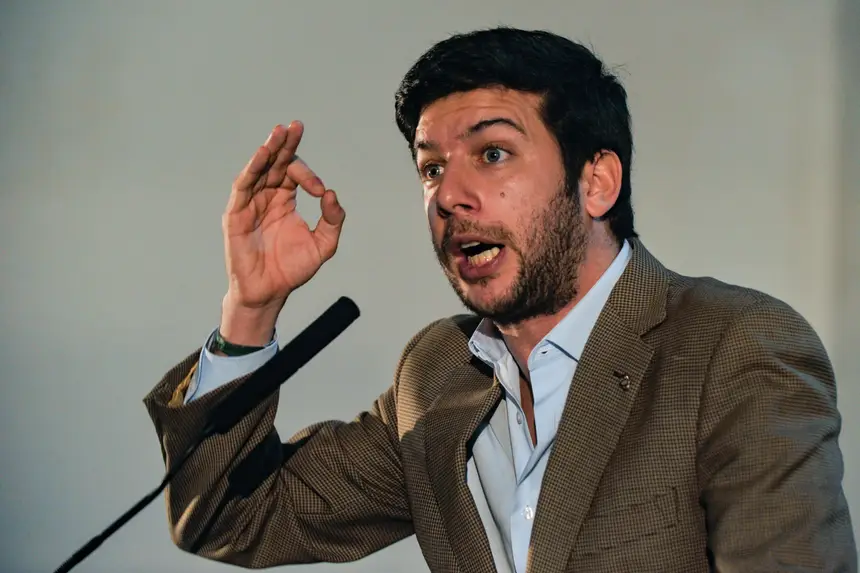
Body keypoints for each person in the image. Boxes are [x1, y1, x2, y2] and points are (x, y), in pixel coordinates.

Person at [143, 27, 856, 572]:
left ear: (596, 182)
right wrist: (252, 309)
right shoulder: (436, 374)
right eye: (431, 168)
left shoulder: (734, 347)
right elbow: (231, 517)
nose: (449, 195)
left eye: (492, 154)